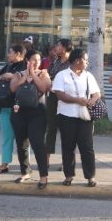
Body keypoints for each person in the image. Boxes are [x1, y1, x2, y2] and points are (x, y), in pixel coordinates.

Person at [51, 48, 100, 187]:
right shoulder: (62, 75)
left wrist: (93, 100)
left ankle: (90, 177)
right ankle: (69, 176)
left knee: (87, 147)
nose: (87, 62)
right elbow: (59, 94)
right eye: (86, 59)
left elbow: (97, 93)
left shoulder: (88, 76)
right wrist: (77, 100)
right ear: (78, 60)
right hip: (67, 116)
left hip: (85, 117)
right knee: (68, 147)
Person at [10, 50, 53, 189]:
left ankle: (43, 176)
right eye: (33, 60)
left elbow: (44, 87)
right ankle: (25, 172)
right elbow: (13, 89)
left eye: (38, 60)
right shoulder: (18, 74)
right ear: (27, 60)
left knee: (38, 143)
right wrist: (24, 76)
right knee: (21, 143)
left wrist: (33, 74)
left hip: (38, 112)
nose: (36, 63)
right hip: (19, 112)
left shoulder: (44, 74)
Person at [0, 45, 27, 174]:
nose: (8, 55)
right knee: (6, 138)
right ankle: (4, 164)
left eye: (10, 52)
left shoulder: (26, 66)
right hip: (5, 107)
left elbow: (27, 82)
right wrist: (3, 77)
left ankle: (25, 166)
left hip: (20, 108)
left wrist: (12, 77)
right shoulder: (6, 67)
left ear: (18, 54)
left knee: (23, 139)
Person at [45, 38, 72, 169]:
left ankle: (65, 161)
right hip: (52, 97)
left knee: (66, 130)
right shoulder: (55, 61)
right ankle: (46, 159)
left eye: (59, 45)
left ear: (65, 48)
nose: (56, 47)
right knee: (51, 127)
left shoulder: (72, 63)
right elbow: (49, 75)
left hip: (66, 99)